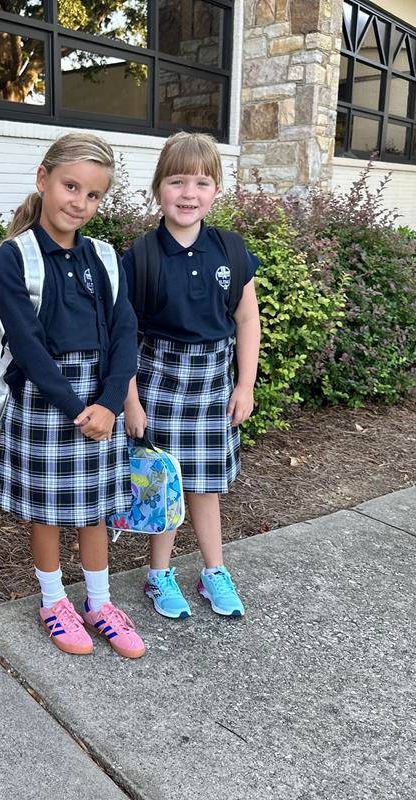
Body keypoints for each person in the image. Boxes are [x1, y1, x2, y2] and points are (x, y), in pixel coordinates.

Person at [0, 132, 145, 659]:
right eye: (70, 186)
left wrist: (109, 402)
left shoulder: (104, 257)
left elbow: (124, 333)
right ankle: (54, 601)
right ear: (44, 180)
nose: (79, 202)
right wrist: (77, 407)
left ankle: (100, 604)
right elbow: (27, 344)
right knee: (48, 511)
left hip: (99, 397)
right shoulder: (15, 256)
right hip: (44, 399)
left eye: (93, 194)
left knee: (95, 511)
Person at [122, 132, 261, 620]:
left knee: (205, 486)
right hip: (158, 381)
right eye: (177, 181)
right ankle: (159, 575)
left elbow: (247, 320)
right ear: (158, 187)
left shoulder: (231, 250)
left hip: (213, 385)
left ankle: (213, 571)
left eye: (202, 183)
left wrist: (244, 385)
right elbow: (123, 337)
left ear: (216, 191)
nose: (188, 193)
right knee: (165, 483)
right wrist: (130, 400)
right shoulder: (140, 257)